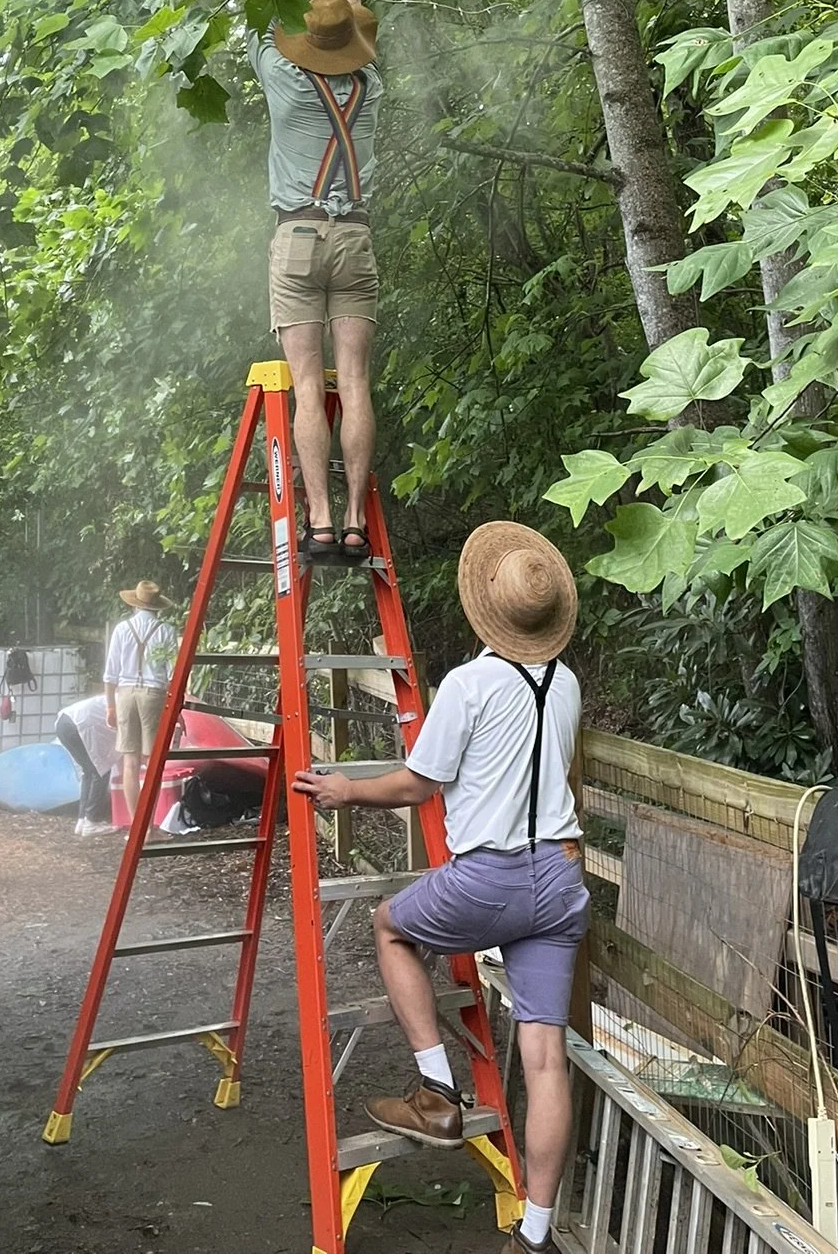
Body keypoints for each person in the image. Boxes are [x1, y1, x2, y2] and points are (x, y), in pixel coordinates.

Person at [293, 522, 587, 1254]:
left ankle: (437, 1094)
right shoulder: (568, 681)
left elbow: (419, 781)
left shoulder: (470, 683)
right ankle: (537, 1232)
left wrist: (343, 791)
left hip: (490, 877)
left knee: (392, 925)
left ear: (485, 605)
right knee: (546, 1059)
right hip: (558, 875)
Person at [246, 0, 382, 565]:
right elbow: (360, 33)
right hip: (355, 237)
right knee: (353, 383)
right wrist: (342, 3)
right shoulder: (372, 87)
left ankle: (320, 524)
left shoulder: (284, 79)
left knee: (307, 386)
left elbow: (254, 22)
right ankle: (356, 524)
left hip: (297, 235)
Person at [103, 581, 180, 828]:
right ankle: (151, 826)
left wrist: (110, 706)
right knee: (152, 761)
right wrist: (176, 707)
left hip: (124, 694)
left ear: (135, 604)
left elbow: (110, 673)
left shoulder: (121, 629)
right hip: (153, 694)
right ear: (157, 606)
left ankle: (139, 827)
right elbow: (173, 674)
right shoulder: (166, 630)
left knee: (130, 762)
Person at [55, 691, 119, 835]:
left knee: (89, 771)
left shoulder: (119, 696)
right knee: (100, 770)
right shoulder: (128, 703)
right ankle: (91, 821)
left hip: (64, 722)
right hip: (79, 725)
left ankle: (82, 820)